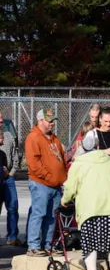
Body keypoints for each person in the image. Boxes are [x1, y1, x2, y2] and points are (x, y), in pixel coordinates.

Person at [61, 134, 110, 270]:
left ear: (83, 148)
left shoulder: (79, 163)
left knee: (90, 242)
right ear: (98, 146)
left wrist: (65, 200)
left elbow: (70, 187)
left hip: (90, 209)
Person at [25, 109, 66, 257]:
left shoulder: (54, 139)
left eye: (53, 121)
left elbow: (62, 158)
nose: (52, 124)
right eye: (49, 121)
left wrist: (62, 178)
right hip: (41, 184)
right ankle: (33, 246)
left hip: (55, 185)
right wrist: (49, 177)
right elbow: (34, 164)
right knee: (39, 213)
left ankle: (49, 245)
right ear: (40, 120)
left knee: (52, 216)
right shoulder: (33, 138)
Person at [0, 111, 19, 245]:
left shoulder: (9, 137)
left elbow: (15, 158)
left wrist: (11, 173)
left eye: (2, 119)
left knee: (13, 207)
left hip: (8, 179)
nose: (1, 122)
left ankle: (12, 237)